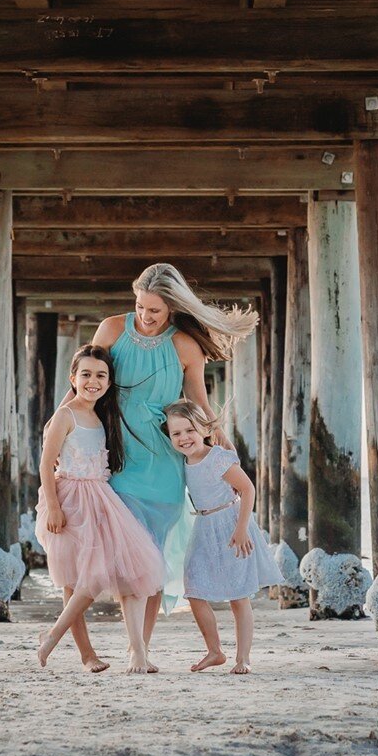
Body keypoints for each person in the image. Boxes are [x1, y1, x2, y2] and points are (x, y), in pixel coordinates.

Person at [74, 263, 258, 668]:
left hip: (164, 460)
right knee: (130, 553)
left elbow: (199, 404)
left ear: (172, 308)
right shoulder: (111, 329)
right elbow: (88, 381)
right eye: (141, 306)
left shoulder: (185, 347)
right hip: (120, 454)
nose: (146, 316)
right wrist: (68, 431)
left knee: (153, 557)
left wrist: (221, 441)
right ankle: (135, 645)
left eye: (155, 310)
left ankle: (141, 645)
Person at [36, 345, 165, 674]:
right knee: (77, 578)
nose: (93, 381)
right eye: (86, 374)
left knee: (134, 567)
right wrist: (53, 506)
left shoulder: (103, 414)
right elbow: (45, 463)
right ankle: (79, 651)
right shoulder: (66, 415)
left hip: (101, 497)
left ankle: (134, 649)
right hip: (70, 498)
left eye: (100, 375)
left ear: (109, 381)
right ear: (73, 378)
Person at [163, 400, 281, 675]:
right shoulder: (182, 461)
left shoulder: (217, 457)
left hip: (231, 524)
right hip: (203, 526)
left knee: (238, 595)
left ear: (204, 428)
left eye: (189, 430)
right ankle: (215, 650)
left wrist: (241, 530)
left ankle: (244, 658)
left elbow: (248, 489)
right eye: (176, 434)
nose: (183, 438)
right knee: (193, 588)